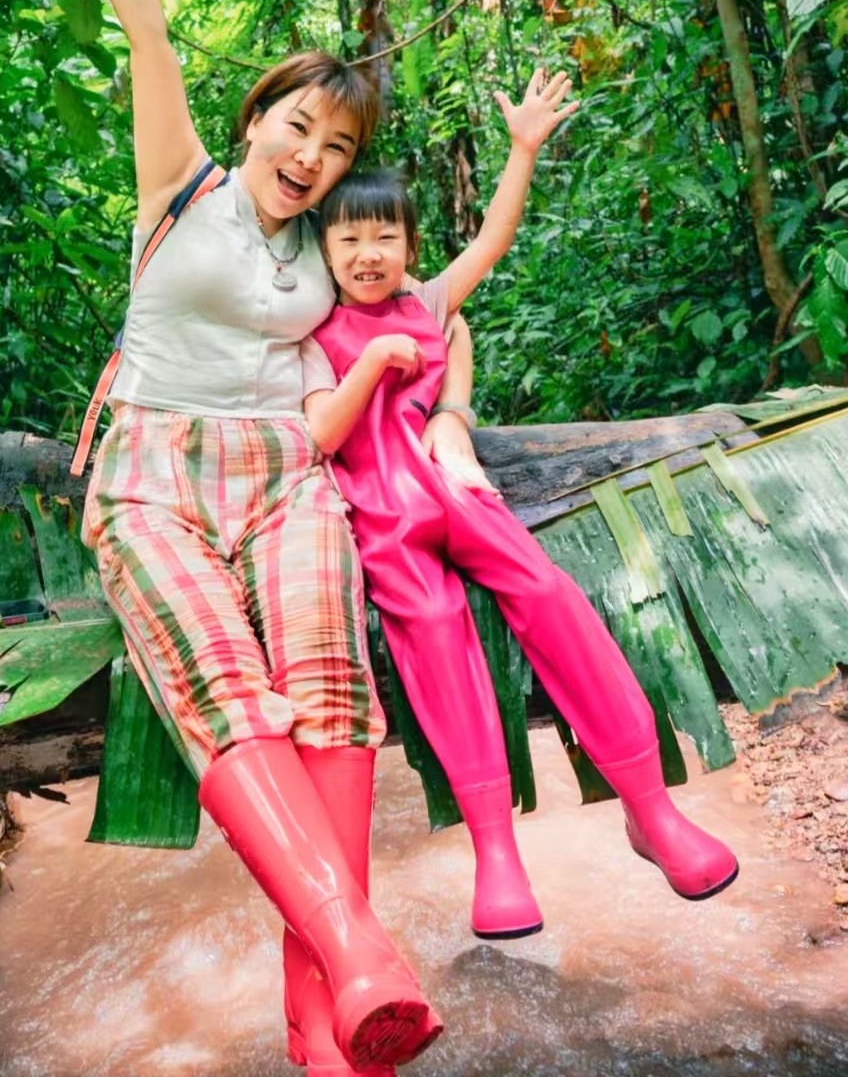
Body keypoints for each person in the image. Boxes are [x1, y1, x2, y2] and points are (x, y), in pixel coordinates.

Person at [55, 0, 442, 1072]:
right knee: (225, 684)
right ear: (254, 118)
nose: (313, 157)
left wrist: (456, 422)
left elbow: (426, 306)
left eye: (336, 149)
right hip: (154, 469)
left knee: (331, 697)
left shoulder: (323, 246)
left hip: (288, 469)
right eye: (297, 128)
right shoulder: (182, 188)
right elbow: (147, 35)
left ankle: (321, 1038)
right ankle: (356, 950)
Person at [300, 70, 740, 943]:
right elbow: (319, 431)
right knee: (430, 624)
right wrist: (369, 362)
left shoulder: (428, 303)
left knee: (545, 594)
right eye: (349, 238)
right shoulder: (310, 329)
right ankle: (496, 851)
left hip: (456, 489)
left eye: (385, 235)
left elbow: (494, 240)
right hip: (382, 517)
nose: (368, 253)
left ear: (409, 245)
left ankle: (651, 808)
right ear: (324, 249)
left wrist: (524, 147)